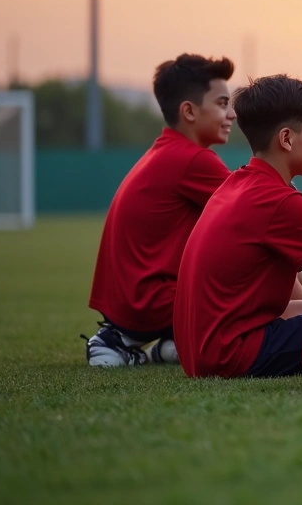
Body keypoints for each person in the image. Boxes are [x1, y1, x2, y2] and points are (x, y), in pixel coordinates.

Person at [84, 54, 235, 367]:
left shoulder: (168, 151)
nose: (231, 113)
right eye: (222, 103)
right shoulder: (192, 160)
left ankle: (173, 343)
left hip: (136, 300)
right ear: (189, 111)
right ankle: (119, 341)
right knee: (259, 275)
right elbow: (263, 216)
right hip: (147, 303)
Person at [175, 75, 302, 378]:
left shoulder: (238, 183)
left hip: (201, 353)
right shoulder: (281, 202)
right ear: (286, 139)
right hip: (232, 354)